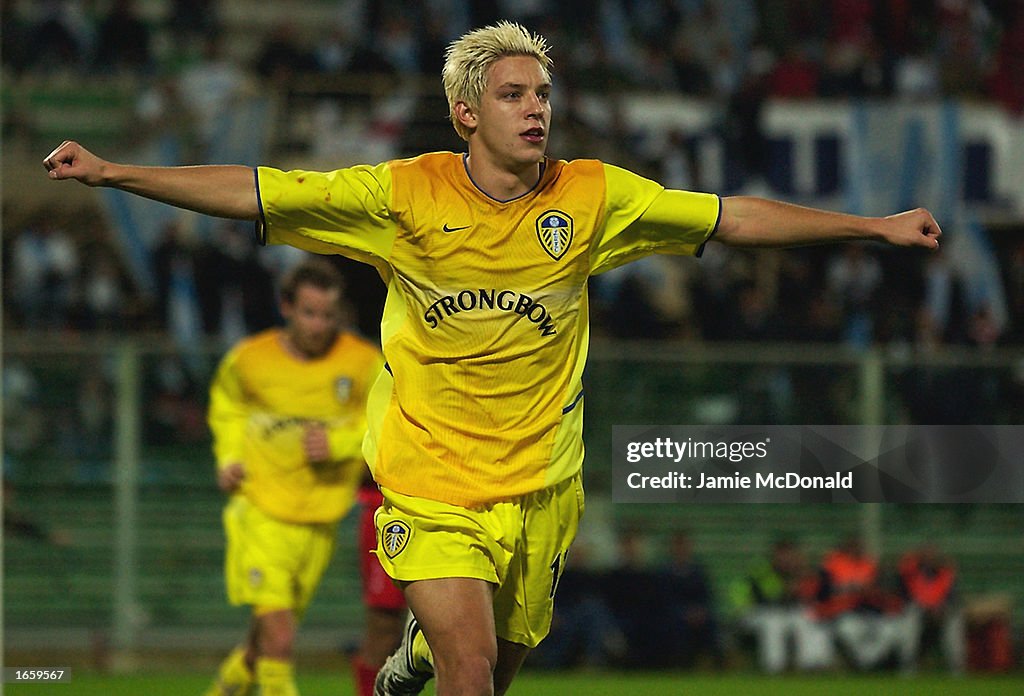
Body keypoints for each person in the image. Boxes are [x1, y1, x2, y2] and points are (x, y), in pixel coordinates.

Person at [43, 21, 941, 696]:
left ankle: (417, 653)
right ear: (467, 112)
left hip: (542, 482)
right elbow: (259, 189)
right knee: (471, 680)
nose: (537, 107)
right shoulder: (399, 196)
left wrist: (872, 226)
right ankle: (433, 648)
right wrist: (116, 172)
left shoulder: (593, 198)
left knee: (495, 675)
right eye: (514, 94)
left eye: (543, 93)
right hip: (430, 480)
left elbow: (730, 217)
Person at [202, 258, 383, 696]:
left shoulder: (364, 363)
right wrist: (228, 457)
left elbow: (386, 421)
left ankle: (223, 689)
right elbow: (227, 408)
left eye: (328, 315)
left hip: (321, 516)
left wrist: (340, 445)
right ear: (286, 307)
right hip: (260, 510)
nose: (319, 325)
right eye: (309, 312)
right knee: (280, 638)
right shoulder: (250, 358)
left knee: (264, 637)